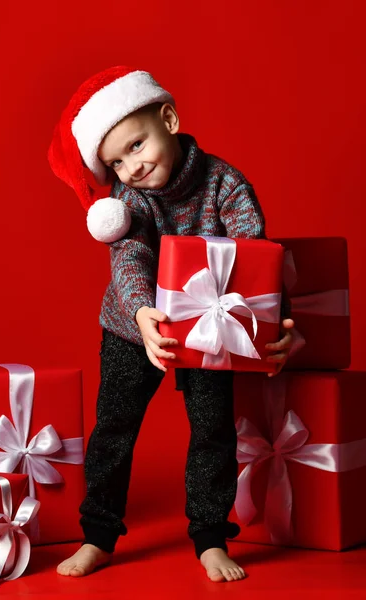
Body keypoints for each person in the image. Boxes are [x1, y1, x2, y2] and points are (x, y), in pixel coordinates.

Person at [48, 66, 294, 583]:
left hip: (210, 325)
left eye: (136, 146)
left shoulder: (226, 185)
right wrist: (141, 314)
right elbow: (131, 257)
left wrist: (272, 324)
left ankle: (209, 537)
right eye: (116, 161)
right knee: (115, 425)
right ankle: (98, 535)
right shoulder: (130, 200)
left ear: (169, 118)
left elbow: (256, 255)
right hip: (133, 326)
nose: (130, 168)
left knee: (212, 427)